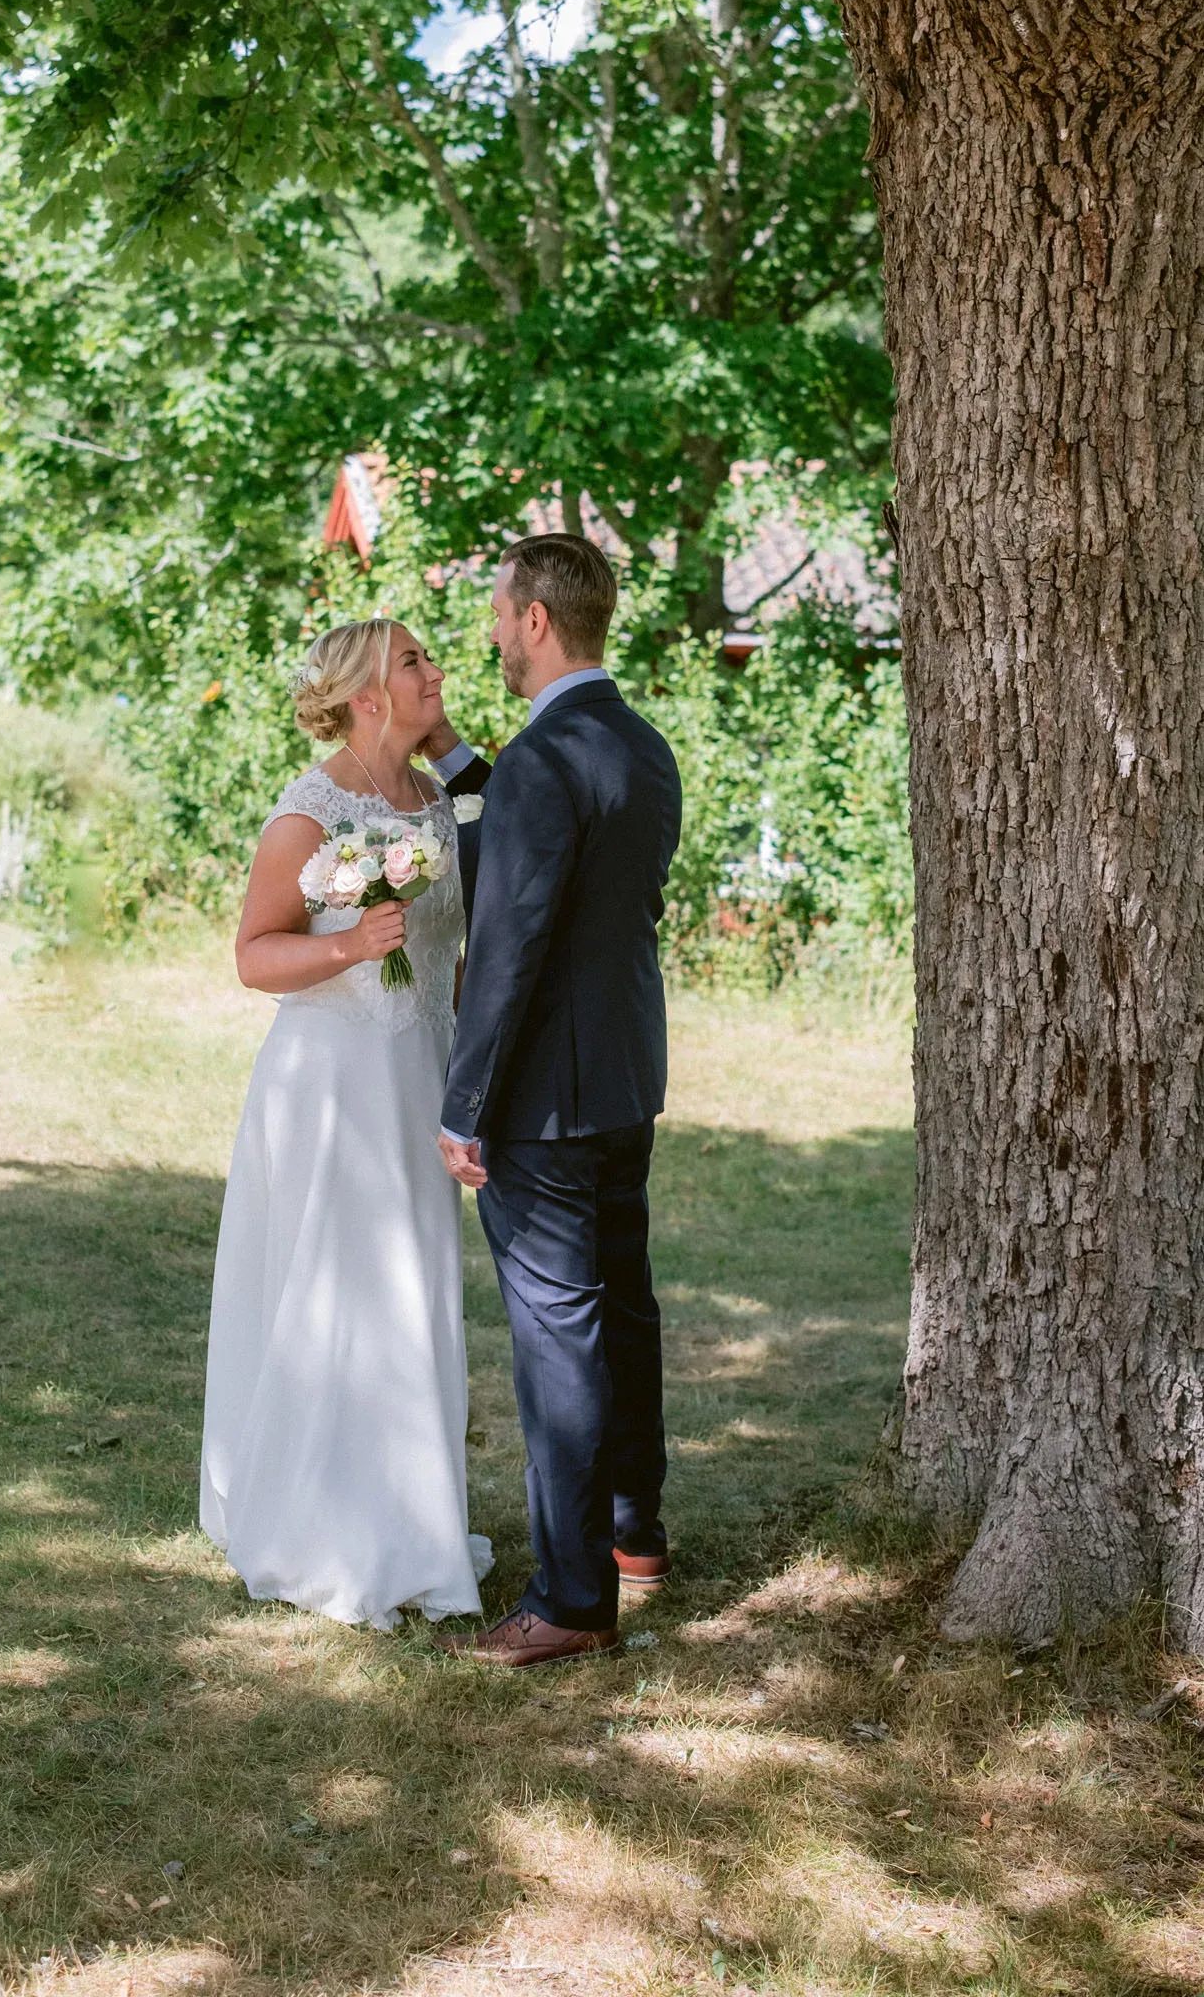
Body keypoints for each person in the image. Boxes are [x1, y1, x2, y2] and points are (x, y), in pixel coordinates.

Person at [199, 617, 491, 1629]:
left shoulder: (440, 800)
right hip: (330, 1086)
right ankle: (322, 1519)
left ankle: (414, 1515)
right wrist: (349, 944)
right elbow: (253, 954)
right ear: (370, 692)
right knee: (337, 1291)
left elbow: (461, 936)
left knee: (411, 1285)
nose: (433, 670)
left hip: (420, 1075)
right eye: (413, 661)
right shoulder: (310, 810)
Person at [424, 533, 683, 1668]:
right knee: (621, 1309)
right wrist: (451, 757)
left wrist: (463, 1100)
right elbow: (549, 854)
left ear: (535, 618)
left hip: (544, 1101)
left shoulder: (545, 759)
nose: (491, 631)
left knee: (559, 1341)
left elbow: (514, 938)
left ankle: (572, 1601)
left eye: (497, 611)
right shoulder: (637, 743)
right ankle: (634, 1532)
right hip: (627, 1078)